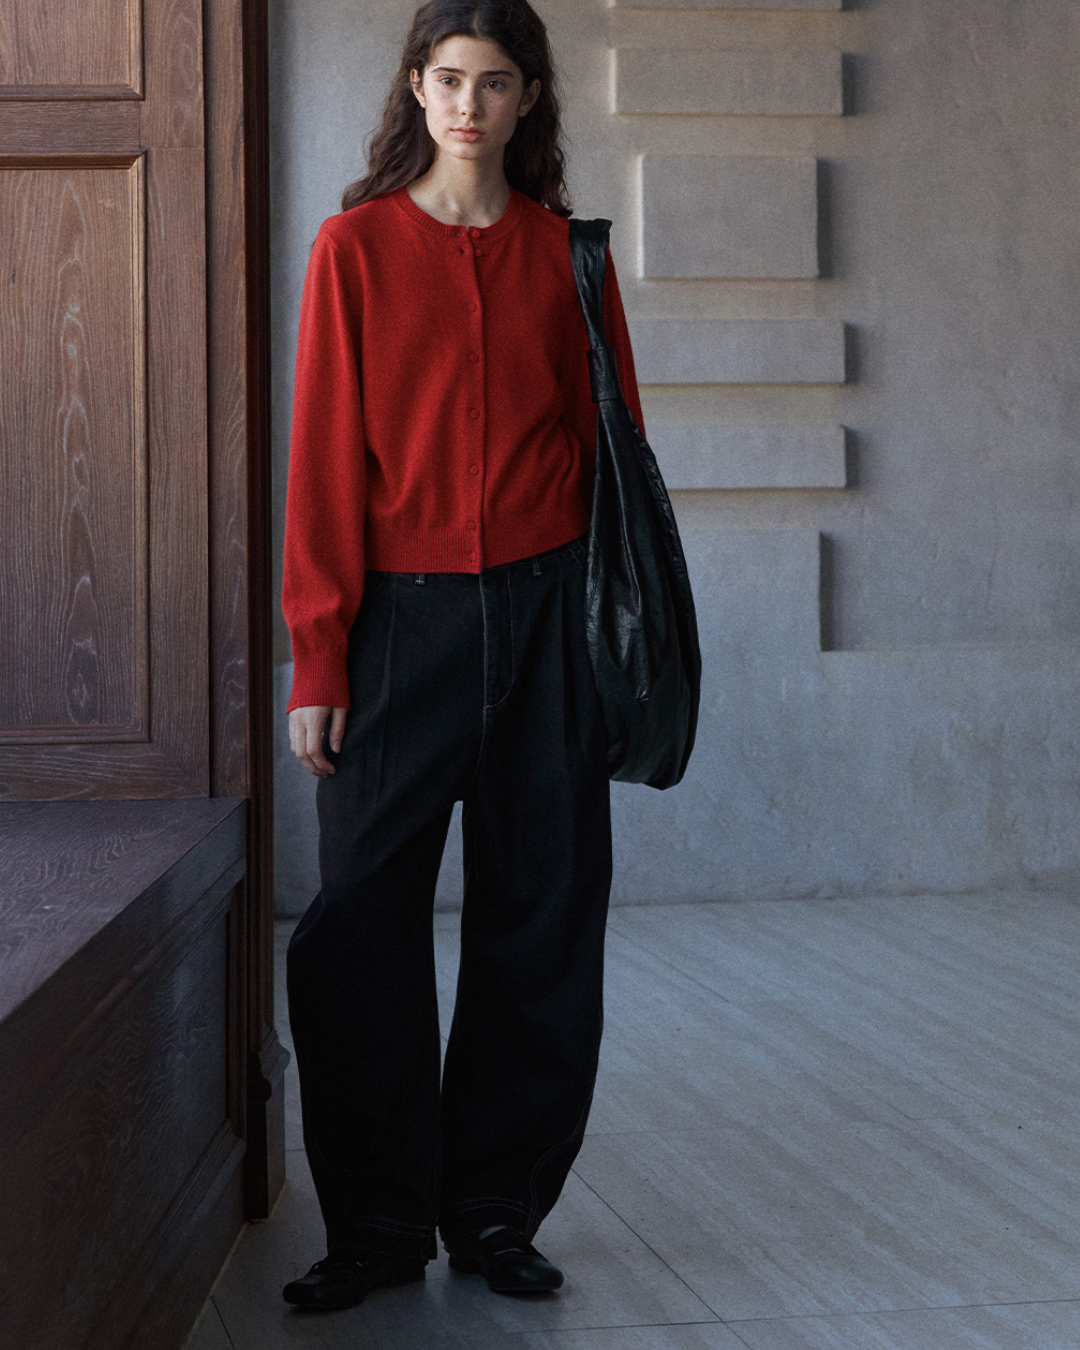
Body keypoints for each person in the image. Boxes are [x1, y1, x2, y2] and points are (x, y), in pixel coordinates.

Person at [280, 0, 644, 1313]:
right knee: (357, 923)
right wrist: (319, 659)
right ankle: (378, 1224)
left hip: (549, 625)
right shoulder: (354, 250)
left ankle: (495, 1208)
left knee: (541, 917)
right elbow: (324, 463)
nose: (468, 105)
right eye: (447, 78)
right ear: (415, 88)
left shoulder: (570, 258)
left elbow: (617, 469)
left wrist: (609, 652)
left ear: (530, 96)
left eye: (495, 82)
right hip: (400, 628)